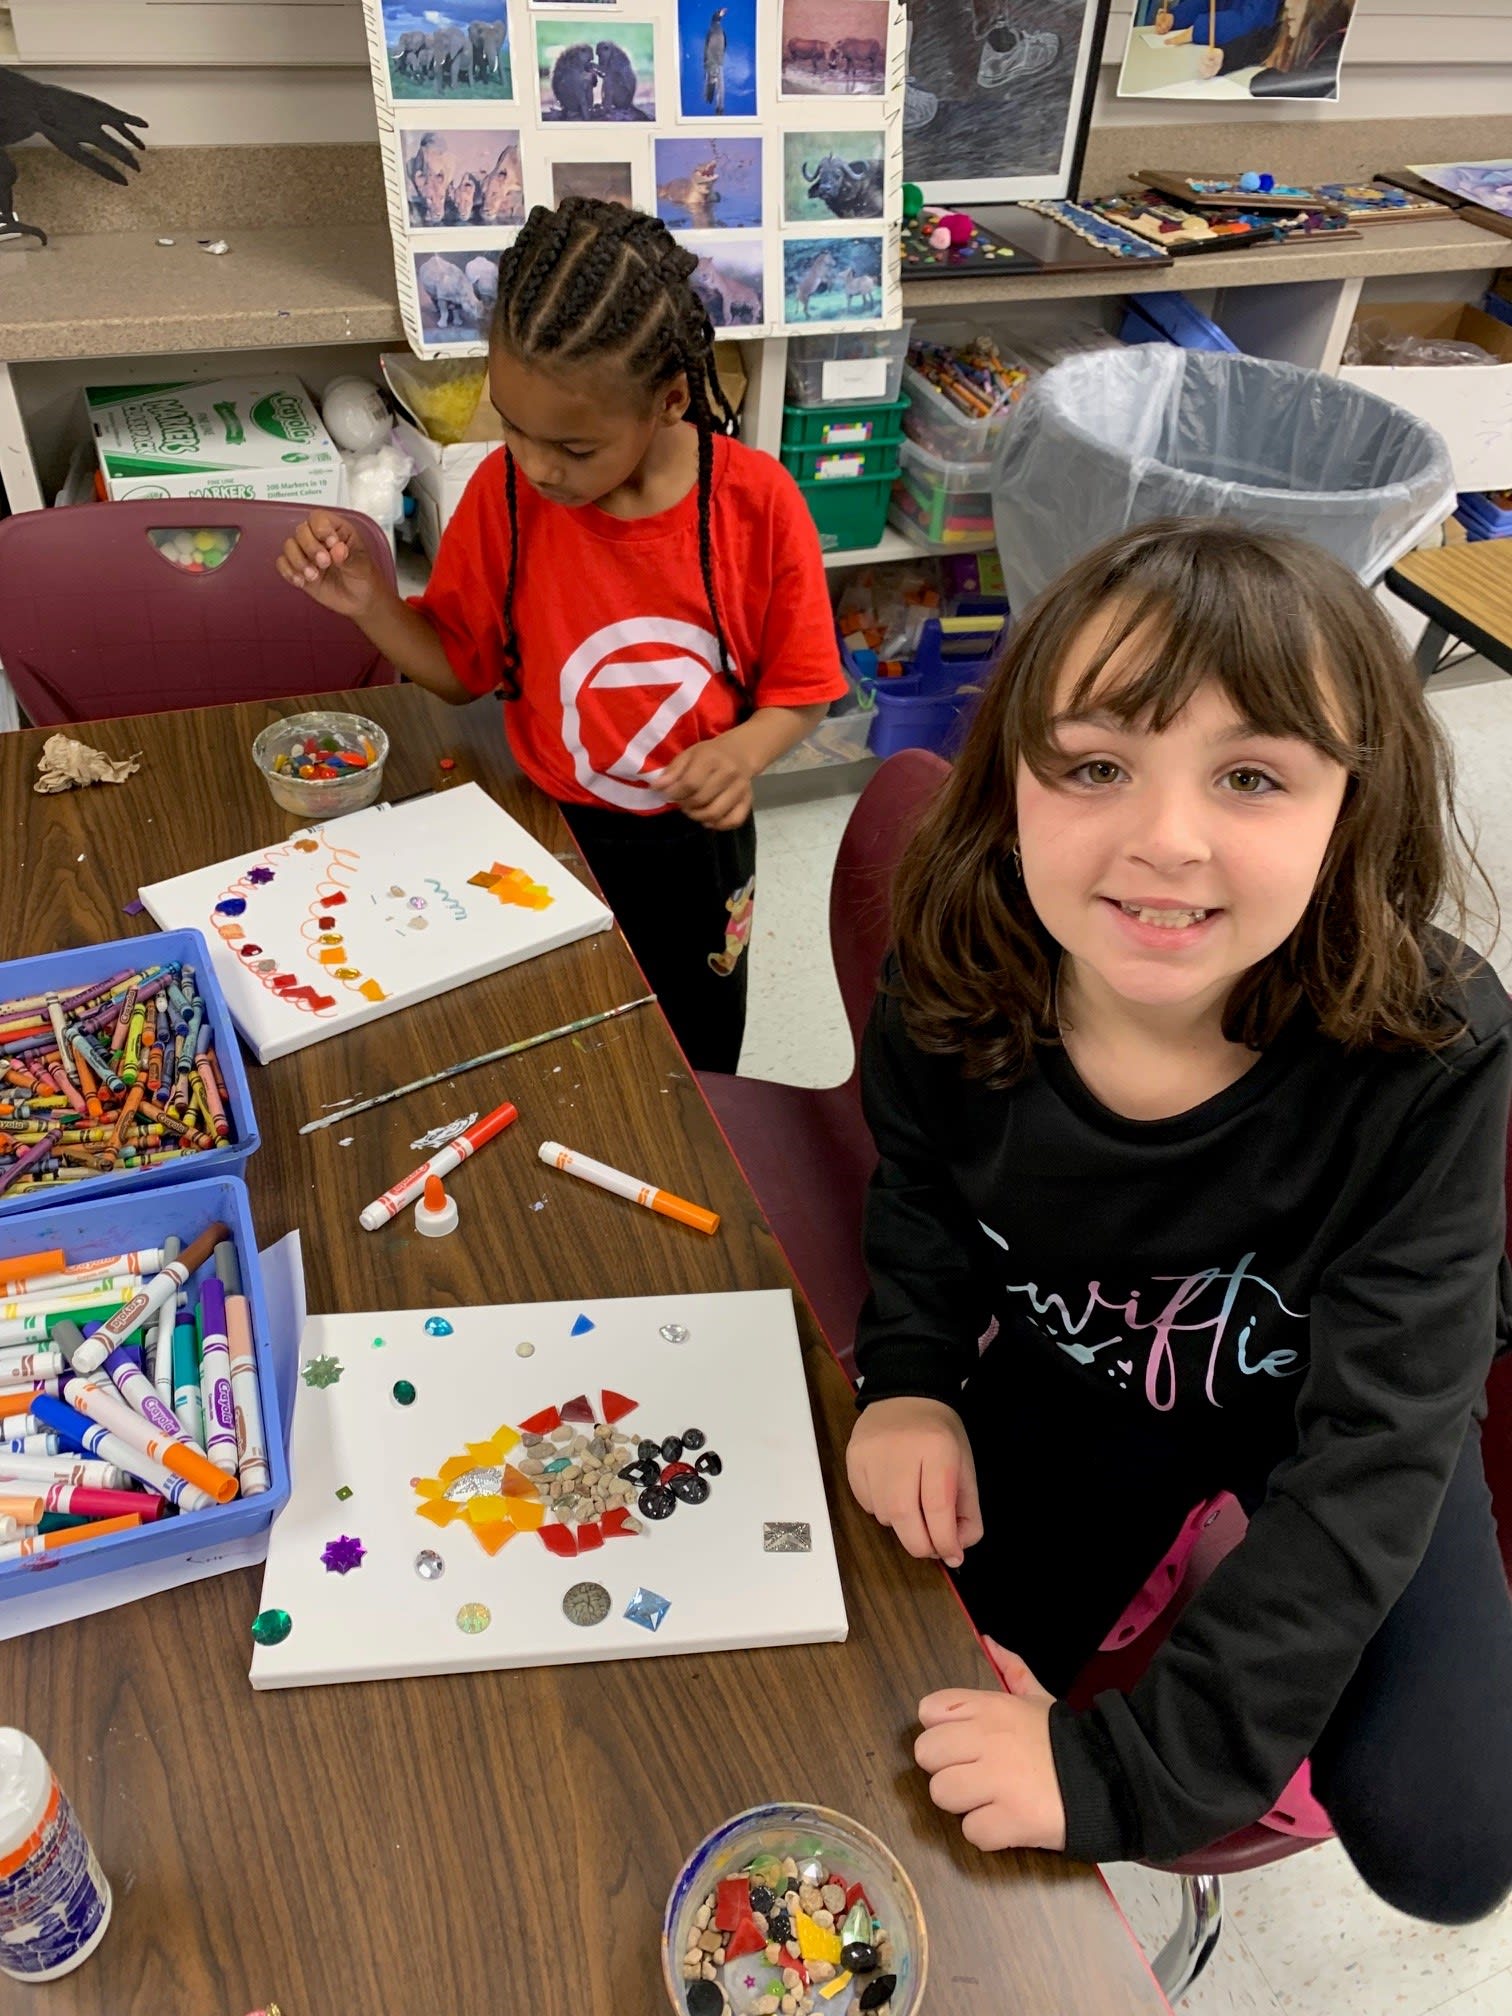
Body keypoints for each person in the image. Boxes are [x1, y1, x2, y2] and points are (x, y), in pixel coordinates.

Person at [846, 520, 1512, 1922]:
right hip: (1080, 1370)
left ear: (1351, 807)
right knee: (896, 1689)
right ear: (1011, 782)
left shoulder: (1434, 1050)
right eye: (1095, 766)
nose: (1163, 839)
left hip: (1335, 1402)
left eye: (1251, 776)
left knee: (1455, 1846)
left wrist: (1133, 1774)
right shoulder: (956, 972)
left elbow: (1381, 1448)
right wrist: (909, 1377)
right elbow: (920, 1191)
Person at [277, 198, 844, 1072]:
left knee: (693, 1055)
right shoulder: (504, 496)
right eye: (512, 425)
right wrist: (372, 605)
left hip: (696, 851)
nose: (537, 465)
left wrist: (742, 753)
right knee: (563, 1045)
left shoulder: (756, 506)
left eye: (575, 449)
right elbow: (460, 673)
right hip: (548, 829)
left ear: (671, 400)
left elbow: (803, 692)